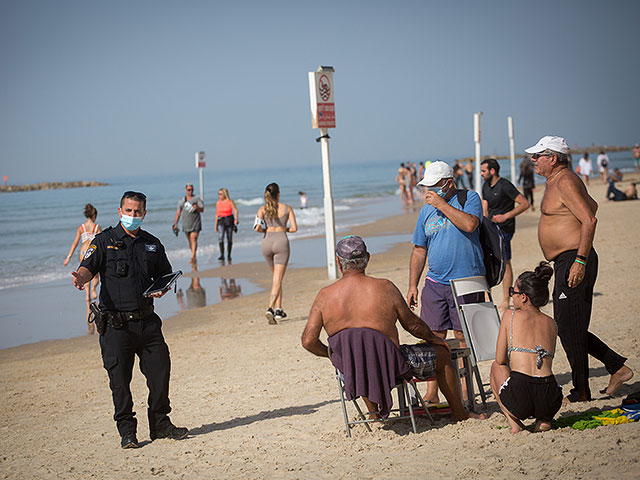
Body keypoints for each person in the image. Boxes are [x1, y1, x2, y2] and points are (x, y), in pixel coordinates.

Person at [301, 235, 485, 422]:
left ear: (339, 263)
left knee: (359, 358)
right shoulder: (384, 287)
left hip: (352, 368)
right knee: (443, 355)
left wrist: (335, 355)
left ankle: (374, 414)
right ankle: (459, 413)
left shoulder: (324, 296)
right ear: (368, 258)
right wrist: (434, 339)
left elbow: (308, 341)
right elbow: (412, 324)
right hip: (393, 364)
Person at [70, 191, 188, 448]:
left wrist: (163, 288)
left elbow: (164, 276)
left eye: (137, 212)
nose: (133, 216)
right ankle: (127, 432)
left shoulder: (153, 244)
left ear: (144, 213)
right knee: (120, 383)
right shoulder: (104, 240)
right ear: (120, 211)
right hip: (115, 327)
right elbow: (88, 266)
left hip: (147, 322)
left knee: (160, 373)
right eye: (129, 211)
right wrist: (80, 277)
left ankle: (160, 424)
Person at [526, 135, 633, 403]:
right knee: (569, 326)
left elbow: (590, 218)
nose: (532, 160)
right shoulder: (559, 180)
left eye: (538, 155)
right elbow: (592, 204)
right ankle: (616, 367)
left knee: (567, 326)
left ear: (553, 158)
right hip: (566, 259)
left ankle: (581, 389)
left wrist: (581, 260)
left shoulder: (564, 180)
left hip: (574, 259)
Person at [407, 161, 485, 404]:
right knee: (432, 337)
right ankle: (433, 392)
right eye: (426, 185)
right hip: (435, 282)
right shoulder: (425, 211)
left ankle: (464, 389)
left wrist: (441, 204)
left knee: (463, 338)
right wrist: (412, 285)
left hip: (465, 280)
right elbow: (420, 249)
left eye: (433, 186)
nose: (427, 190)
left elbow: (470, 225)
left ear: (448, 183)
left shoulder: (469, 198)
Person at [490, 262, 563, 434]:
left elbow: (500, 359)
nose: (511, 296)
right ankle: (543, 420)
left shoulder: (511, 315)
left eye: (512, 292)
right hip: (550, 395)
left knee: (496, 367)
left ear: (523, 297)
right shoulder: (551, 323)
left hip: (521, 392)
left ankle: (514, 422)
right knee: (542, 377)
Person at [480, 158, 530, 313]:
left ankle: (506, 300)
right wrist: (484, 214)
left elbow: (524, 203)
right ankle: (488, 298)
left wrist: (506, 216)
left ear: (492, 171)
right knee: (488, 260)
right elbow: (485, 203)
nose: (481, 174)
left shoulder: (505, 185)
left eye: (483, 171)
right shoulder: (486, 185)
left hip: (505, 230)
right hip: (491, 229)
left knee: (505, 263)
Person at [254, 183, 298, 324]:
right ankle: (270, 308)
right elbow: (294, 228)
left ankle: (279, 309)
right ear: (278, 194)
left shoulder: (262, 209)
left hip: (266, 243)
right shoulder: (287, 208)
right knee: (277, 279)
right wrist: (283, 229)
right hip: (281, 242)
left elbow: (257, 228)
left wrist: (267, 231)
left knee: (276, 279)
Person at [64, 203, 102, 333]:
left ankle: (87, 295)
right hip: (92, 251)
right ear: (95, 215)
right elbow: (101, 244)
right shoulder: (97, 227)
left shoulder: (81, 227)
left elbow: (75, 243)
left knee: (84, 272)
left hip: (82, 251)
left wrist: (68, 257)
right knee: (95, 274)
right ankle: (93, 288)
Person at [172, 182, 204, 264]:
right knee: (190, 241)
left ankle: (193, 257)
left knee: (193, 238)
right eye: (189, 190)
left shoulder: (197, 199)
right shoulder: (182, 200)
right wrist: (175, 223)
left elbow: (202, 210)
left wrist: (197, 208)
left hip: (196, 222)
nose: (190, 191)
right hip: (186, 224)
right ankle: (193, 254)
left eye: (192, 189)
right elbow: (178, 212)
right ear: (186, 190)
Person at [214, 188, 238, 263]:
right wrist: (215, 225)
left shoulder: (230, 201)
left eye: (221, 194)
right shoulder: (218, 203)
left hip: (229, 219)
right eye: (218, 194)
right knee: (220, 237)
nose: (219, 195)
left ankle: (229, 255)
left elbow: (235, 210)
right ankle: (222, 255)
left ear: (224, 194)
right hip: (221, 220)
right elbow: (217, 214)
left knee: (229, 237)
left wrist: (236, 219)